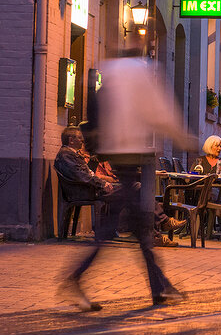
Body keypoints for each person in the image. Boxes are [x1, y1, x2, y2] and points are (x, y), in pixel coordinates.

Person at [59, 54, 194, 312]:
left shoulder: (111, 71)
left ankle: (159, 287)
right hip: (129, 155)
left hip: (116, 154)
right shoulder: (140, 71)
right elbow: (158, 112)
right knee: (132, 227)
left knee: (134, 226)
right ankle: (76, 279)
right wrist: (182, 137)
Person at [54, 126, 184, 243]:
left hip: (91, 189)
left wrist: (102, 181)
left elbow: (85, 175)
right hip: (87, 191)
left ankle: (154, 233)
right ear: (71, 140)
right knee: (136, 188)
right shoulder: (66, 155)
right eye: (79, 139)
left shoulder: (70, 154)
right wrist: (102, 183)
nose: (82, 141)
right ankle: (161, 225)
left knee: (133, 194)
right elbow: (82, 176)